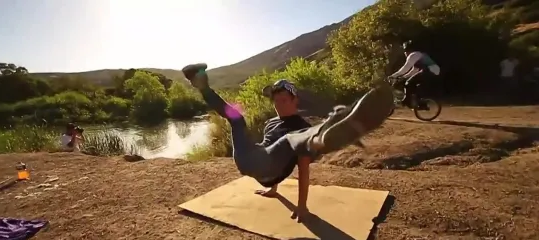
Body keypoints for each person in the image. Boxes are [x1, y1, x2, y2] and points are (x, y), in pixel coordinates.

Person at [182, 63, 393, 222]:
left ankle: (325, 136)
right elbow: (270, 150)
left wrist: (302, 207)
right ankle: (202, 86)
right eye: (275, 100)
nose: (278, 105)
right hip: (251, 162)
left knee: (292, 139)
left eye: (284, 100)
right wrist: (273, 190)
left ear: (295, 101)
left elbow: (302, 169)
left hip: (275, 165)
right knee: (237, 119)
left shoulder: (299, 125)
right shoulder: (272, 122)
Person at [388, 40, 440, 108]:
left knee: (409, 83)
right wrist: (404, 77)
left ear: (407, 51)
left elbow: (405, 68)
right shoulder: (417, 55)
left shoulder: (413, 55)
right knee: (411, 84)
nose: (405, 54)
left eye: (405, 52)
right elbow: (414, 70)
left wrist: (393, 76)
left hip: (430, 70)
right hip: (431, 71)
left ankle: (408, 102)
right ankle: (417, 102)